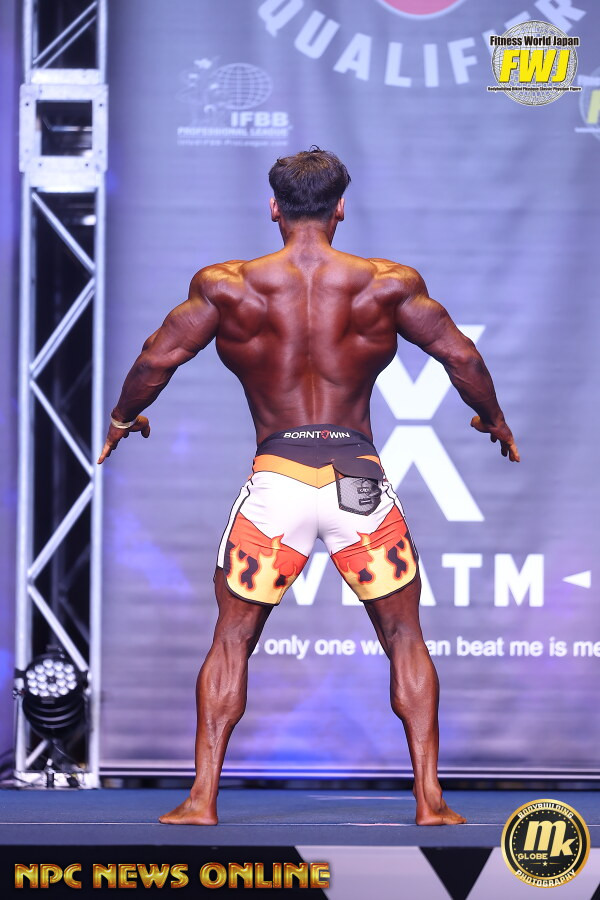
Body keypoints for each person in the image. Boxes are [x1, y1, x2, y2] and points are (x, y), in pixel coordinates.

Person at [98, 148, 519, 826]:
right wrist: (492, 418)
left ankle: (202, 800)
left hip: (279, 480)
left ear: (274, 207)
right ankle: (430, 801)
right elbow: (460, 355)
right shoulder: (386, 284)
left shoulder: (228, 286)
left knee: (232, 639)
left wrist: (123, 418)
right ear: (340, 207)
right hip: (357, 479)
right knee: (404, 635)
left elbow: (156, 359)